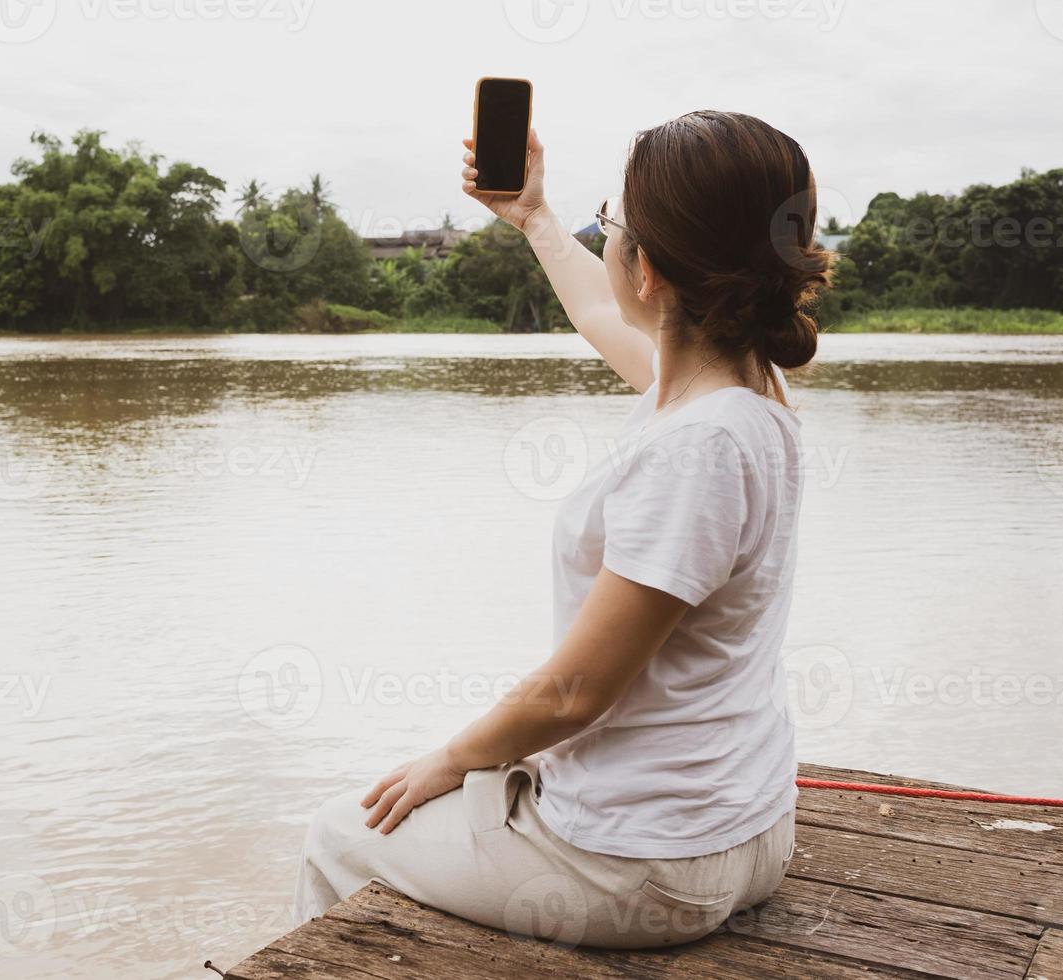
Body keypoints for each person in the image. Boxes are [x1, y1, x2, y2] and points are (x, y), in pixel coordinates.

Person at [292, 110, 829, 948]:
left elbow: (577, 693)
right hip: (747, 830)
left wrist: (450, 758)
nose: (601, 238)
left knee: (336, 836)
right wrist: (536, 217)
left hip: (643, 865)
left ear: (646, 270)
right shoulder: (743, 392)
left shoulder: (692, 448)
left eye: (607, 223)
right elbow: (595, 314)